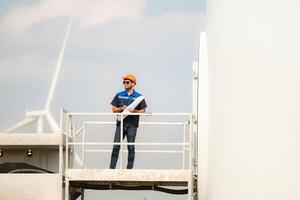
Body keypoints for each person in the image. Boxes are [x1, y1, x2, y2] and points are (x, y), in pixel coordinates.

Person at [109, 74, 147, 169]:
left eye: (127, 82)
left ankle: (129, 169)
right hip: (120, 124)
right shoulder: (119, 95)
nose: (125, 84)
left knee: (131, 147)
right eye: (124, 82)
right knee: (116, 146)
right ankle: (111, 168)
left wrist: (135, 111)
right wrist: (121, 108)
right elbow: (113, 109)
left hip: (132, 125)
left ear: (133, 84)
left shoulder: (139, 97)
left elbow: (143, 110)